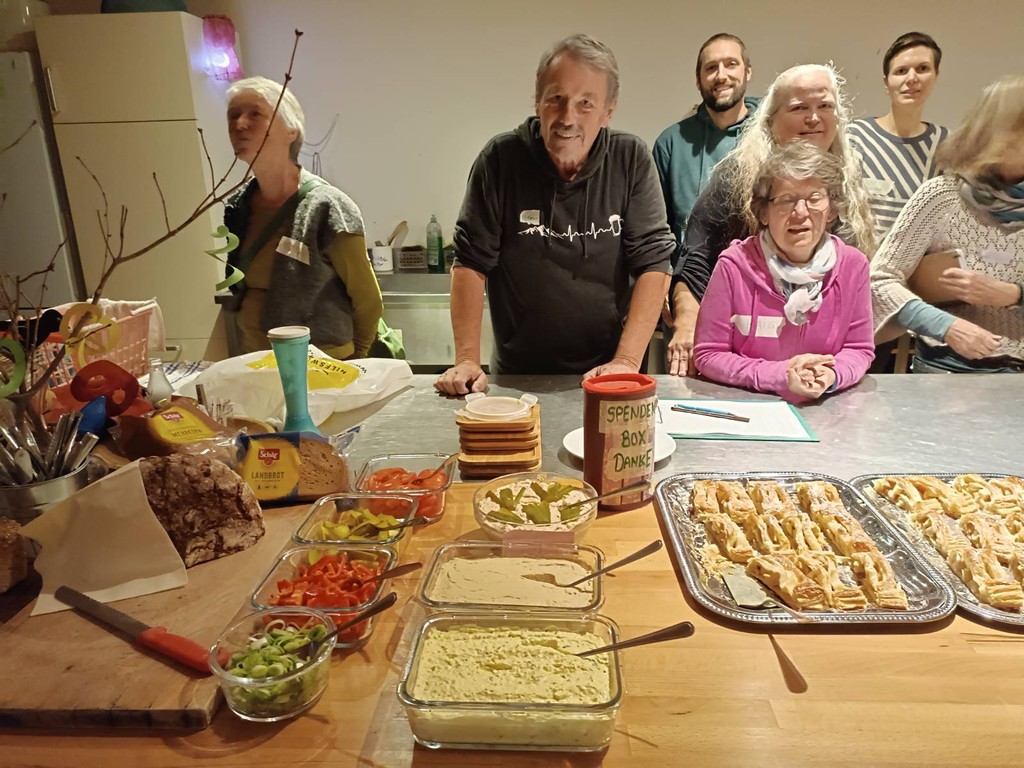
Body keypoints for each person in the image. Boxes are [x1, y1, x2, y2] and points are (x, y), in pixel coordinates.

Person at [434, 34, 674, 395]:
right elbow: (470, 262)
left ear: (608, 111)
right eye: (556, 99)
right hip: (517, 377)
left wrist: (625, 362)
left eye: (585, 104)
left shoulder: (631, 160)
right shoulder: (500, 160)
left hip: (609, 373)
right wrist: (467, 358)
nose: (567, 117)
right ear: (537, 102)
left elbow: (654, 265)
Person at [666, 63, 876, 377]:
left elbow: (857, 337)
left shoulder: (850, 184)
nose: (813, 117)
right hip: (746, 370)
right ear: (771, 120)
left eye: (824, 106)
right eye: (799, 107)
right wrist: (687, 327)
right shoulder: (734, 178)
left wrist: (832, 373)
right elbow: (696, 260)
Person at [692, 143, 874, 401]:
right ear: (763, 212)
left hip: (826, 409)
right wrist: (780, 374)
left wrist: (832, 376)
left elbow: (859, 349)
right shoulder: (733, 265)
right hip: (751, 408)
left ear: (831, 209)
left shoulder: (853, 266)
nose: (800, 213)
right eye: (786, 200)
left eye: (814, 199)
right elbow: (708, 355)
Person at [870, 75, 1024, 373]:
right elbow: (880, 279)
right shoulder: (942, 196)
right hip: (944, 368)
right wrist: (946, 326)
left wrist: (1014, 295)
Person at [222, 76, 383, 359]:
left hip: (323, 363)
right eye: (233, 115)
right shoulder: (238, 207)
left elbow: (368, 299)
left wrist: (358, 360)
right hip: (255, 359)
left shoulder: (327, 207)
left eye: (255, 114)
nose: (240, 124)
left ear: (291, 130)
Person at [653, 33, 759, 244]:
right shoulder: (670, 144)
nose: (721, 76)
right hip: (689, 275)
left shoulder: (772, 132)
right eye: (711, 68)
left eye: (731, 64)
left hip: (755, 274)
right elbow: (656, 232)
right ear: (698, 80)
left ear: (747, 72)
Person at [849, 32, 948, 241]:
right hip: (859, 267)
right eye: (901, 71)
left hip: (919, 269)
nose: (911, 79)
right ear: (886, 81)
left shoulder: (947, 144)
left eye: (922, 69)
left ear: (936, 75)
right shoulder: (855, 137)